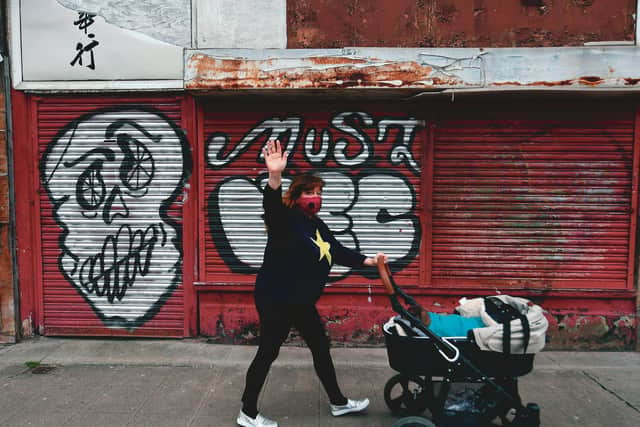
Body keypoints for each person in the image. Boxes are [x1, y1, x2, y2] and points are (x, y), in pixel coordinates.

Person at [237, 139, 388, 427]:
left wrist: (369, 260)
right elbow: (271, 205)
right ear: (296, 195)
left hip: (300, 301)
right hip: (277, 298)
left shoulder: (315, 224)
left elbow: (337, 250)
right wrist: (274, 176)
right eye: (309, 192)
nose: (315, 197)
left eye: (319, 193)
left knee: (320, 346)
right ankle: (248, 412)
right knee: (269, 350)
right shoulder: (285, 219)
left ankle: (339, 403)